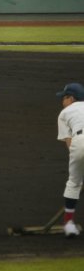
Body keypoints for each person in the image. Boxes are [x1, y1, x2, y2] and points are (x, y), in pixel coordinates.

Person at [55, 83, 84, 238]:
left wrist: (78, 165)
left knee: (74, 182)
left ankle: (69, 224)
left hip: (79, 141)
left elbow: (69, 142)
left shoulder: (64, 112)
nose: (62, 102)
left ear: (71, 98)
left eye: (64, 98)